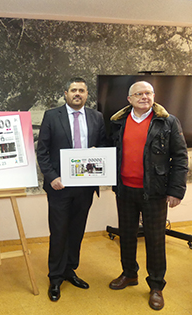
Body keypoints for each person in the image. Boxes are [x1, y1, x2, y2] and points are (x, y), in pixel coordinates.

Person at [108, 81, 188, 311]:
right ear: (129, 99)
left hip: (154, 192)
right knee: (127, 235)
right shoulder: (119, 122)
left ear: (153, 96)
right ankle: (129, 274)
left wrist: (175, 190)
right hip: (124, 190)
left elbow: (180, 158)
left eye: (148, 93)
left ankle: (155, 286)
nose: (145, 97)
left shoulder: (168, 121)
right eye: (139, 94)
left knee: (155, 240)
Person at [37, 77, 107, 301]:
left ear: (87, 94)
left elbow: (105, 145)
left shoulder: (97, 117)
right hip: (60, 186)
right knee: (59, 232)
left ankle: (70, 270)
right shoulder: (51, 116)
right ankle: (55, 278)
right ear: (65, 93)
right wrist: (52, 177)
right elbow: (43, 152)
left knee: (77, 231)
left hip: (85, 187)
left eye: (82, 90)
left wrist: (98, 151)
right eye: (74, 90)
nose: (78, 93)